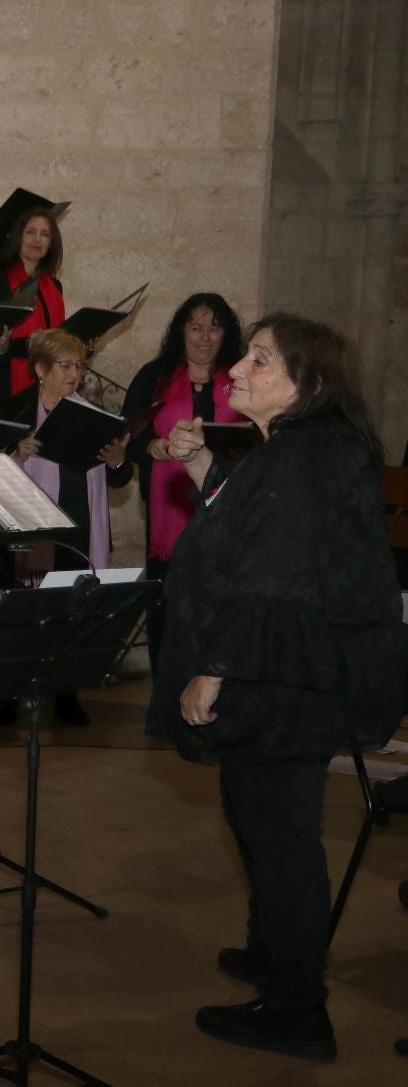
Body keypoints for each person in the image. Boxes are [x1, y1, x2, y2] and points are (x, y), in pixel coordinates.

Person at [148, 313, 407, 1064]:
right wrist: (202, 470)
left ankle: (297, 1008)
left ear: (307, 382)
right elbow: (251, 522)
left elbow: (275, 578)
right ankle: (273, 952)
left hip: (286, 671)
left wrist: (215, 666)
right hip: (289, 666)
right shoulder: (298, 448)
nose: (235, 370)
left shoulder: (307, 455)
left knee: (283, 833)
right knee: (251, 808)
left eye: (258, 360)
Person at [9, 328, 132, 725]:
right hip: (36, 526)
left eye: (78, 366)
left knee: (75, 608)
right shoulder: (18, 413)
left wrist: (116, 459)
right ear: (41, 369)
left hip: (81, 520)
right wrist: (16, 453)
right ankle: (12, 691)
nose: (73, 374)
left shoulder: (91, 415)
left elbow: (119, 477)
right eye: (65, 366)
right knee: (31, 609)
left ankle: (66, 694)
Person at [123, 294, 246, 672]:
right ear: (182, 331)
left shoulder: (240, 379)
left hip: (228, 506)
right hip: (170, 505)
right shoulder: (154, 376)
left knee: (219, 598)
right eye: (196, 327)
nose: (205, 337)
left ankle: (215, 682)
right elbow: (128, 433)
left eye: (214, 327)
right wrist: (154, 446)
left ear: (227, 334)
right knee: (168, 596)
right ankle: (166, 684)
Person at [0, 206, 67, 414]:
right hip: (4, 384)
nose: (38, 239)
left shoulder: (54, 286)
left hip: (50, 383)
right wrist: (7, 348)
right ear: (18, 237)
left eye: (45, 234)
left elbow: (59, 338)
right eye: (30, 232)